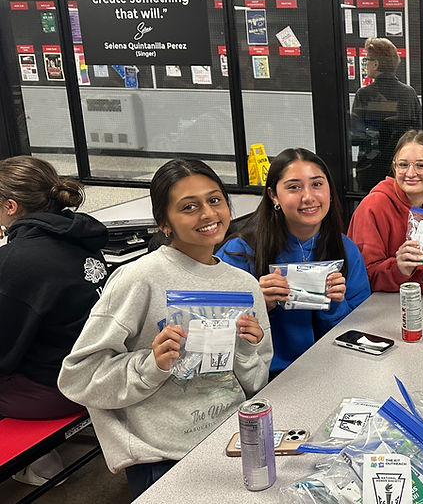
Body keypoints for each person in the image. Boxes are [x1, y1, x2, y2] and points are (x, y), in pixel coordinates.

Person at [58, 159, 273, 499]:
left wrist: (245, 351)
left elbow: (256, 383)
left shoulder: (244, 285)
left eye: (214, 200)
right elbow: (78, 377)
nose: (208, 214)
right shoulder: (138, 279)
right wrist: (152, 364)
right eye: (189, 207)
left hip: (232, 438)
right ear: (164, 223)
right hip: (163, 456)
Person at [0, 156, 109, 485]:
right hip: (99, 373)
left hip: (57, 390)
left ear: (10, 206)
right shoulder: (81, 237)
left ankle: (41, 464)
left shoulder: (18, 260)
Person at [218, 148, 370, 375]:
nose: (308, 197)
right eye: (294, 187)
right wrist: (259, 305)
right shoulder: (240, 251)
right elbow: (215, 330)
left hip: (333, 370)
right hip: (265, 379)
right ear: (274, 196)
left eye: (317, 184)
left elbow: (360, 331)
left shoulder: (345, 249)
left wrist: (335, 304)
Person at [348, 129, 423, 292]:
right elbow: (361, 277)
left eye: (421, 165)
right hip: (378, 301)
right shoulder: (373, 206)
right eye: (403, 165)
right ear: (394, 167)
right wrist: (398, 269)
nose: (410, 173)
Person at [351, 37, 423, 191]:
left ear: (376, 64)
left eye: (367, 60)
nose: (366, 64)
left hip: (370, 169)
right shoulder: (409, 93)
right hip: (401, 168)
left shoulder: (364, 94)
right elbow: (419, 132)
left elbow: (355, 136)